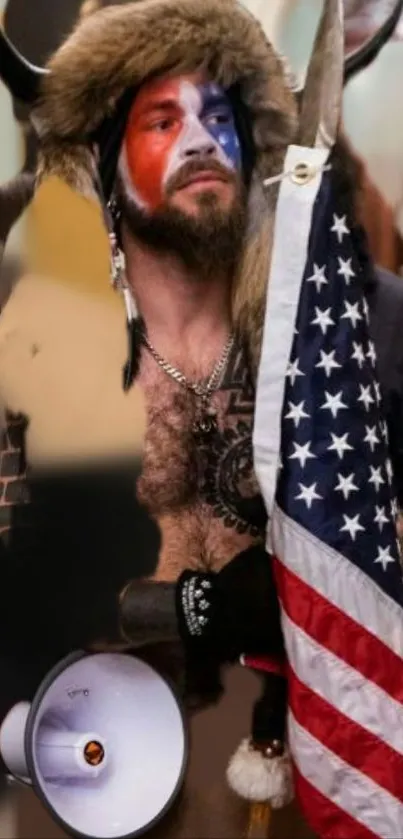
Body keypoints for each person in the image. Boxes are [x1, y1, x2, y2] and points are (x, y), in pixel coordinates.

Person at [0, 1, 403, 837]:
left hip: (295, 763)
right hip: (74, 753)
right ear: (102, 152)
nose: (201, 140)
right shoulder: (27, 330)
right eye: (162, 118)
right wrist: (169, 608)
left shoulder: (344, 325)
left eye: (221, 116)